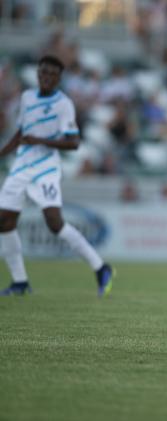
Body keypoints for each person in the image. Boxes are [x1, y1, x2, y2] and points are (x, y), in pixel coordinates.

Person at [0, 55, 114, 297]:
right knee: (4, 221)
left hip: (46, 168)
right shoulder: (27, 97)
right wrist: (3, 153)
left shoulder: (64, 104)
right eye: (43, 73)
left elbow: (74, 142)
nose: (47, 78)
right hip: (21, 165)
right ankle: (20, 282)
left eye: (52, 74)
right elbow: (21, 131)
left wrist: (39, 140)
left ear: (59, 78)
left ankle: (101, 267)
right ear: (38, 74)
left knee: (54, 222)